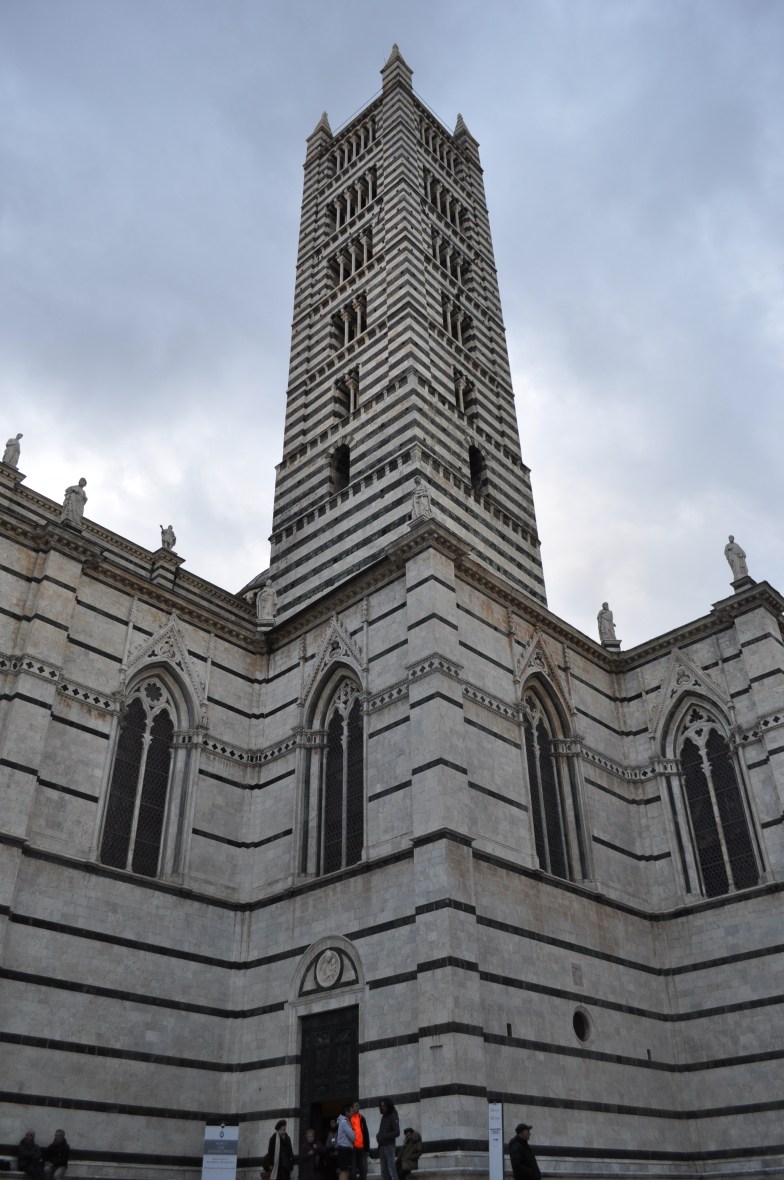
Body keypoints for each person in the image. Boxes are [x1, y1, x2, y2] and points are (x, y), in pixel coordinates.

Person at [376, 1098, 399, 1180]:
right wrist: (378, 1136)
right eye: (381, 1106)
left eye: (384, 1106)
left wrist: (383, 1136)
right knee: (383, 1171)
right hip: (382, 1146)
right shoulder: (384, 1116)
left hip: (389, 1146)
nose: (383, 1108)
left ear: (388, 1106)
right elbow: (382, 1130)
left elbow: (397, 1132)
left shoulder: (393, 1115)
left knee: (392, 1170)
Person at [350, 1100, 370, 1180]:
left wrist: (367, 1148)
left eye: (358, 1106)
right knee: (353, 1170)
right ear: (352, 1107)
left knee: (364, 1169)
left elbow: (366, 1133)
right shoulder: (349, 1119)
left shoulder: (362, 1118)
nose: (358, 1107)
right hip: (353, 1148)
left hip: (362, 1148)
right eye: (356, 1106)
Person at [336, 1103, 355, 1180]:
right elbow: (352, 1136)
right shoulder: (344, 1122)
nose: (353, 1113)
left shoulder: (342, 1121)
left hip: (342, 1149)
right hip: (345, 1149)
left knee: (343, 1170)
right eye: (351, 1111)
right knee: (345, 1171)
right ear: (346, 1112)